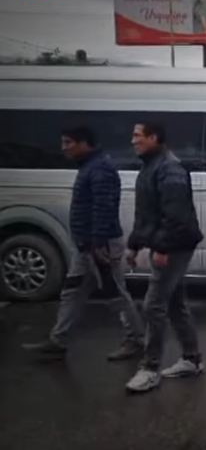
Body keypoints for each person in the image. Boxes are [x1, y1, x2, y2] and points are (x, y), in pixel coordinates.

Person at [22, 127, 145, 362]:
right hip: (87, 247)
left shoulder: (99, 169)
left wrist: (99, 244)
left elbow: (104, 207)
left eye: (68, 142)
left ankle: (136, 339)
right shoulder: (91, 166)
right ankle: (58, 340)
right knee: (72, 292)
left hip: (100, 246)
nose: (63, 147)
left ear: (84, 143)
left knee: (116, 294)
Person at [124, 122, 205, 394]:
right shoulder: (149, 166)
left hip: (176, 245)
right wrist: (134, 245)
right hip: (169, 243)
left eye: (138, 136)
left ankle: (149, 368)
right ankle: (192, 359)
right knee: (174, 304)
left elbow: (176, 217)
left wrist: (162, 248)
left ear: (154, 137)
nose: (133, 140)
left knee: (153, 306)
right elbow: (145, 214)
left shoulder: (169, 169)